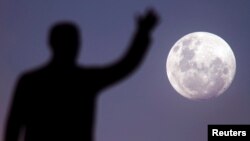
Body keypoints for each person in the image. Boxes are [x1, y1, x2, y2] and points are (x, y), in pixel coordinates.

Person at [4, 9, 159, 141]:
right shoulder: (81, 80)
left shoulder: (32, 80)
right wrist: (142, 33)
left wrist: (142, 33)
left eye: (75, 41)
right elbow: (13, 126)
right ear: (54, 43)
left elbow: (125, 66)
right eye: (70, 41)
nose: (75, 46)